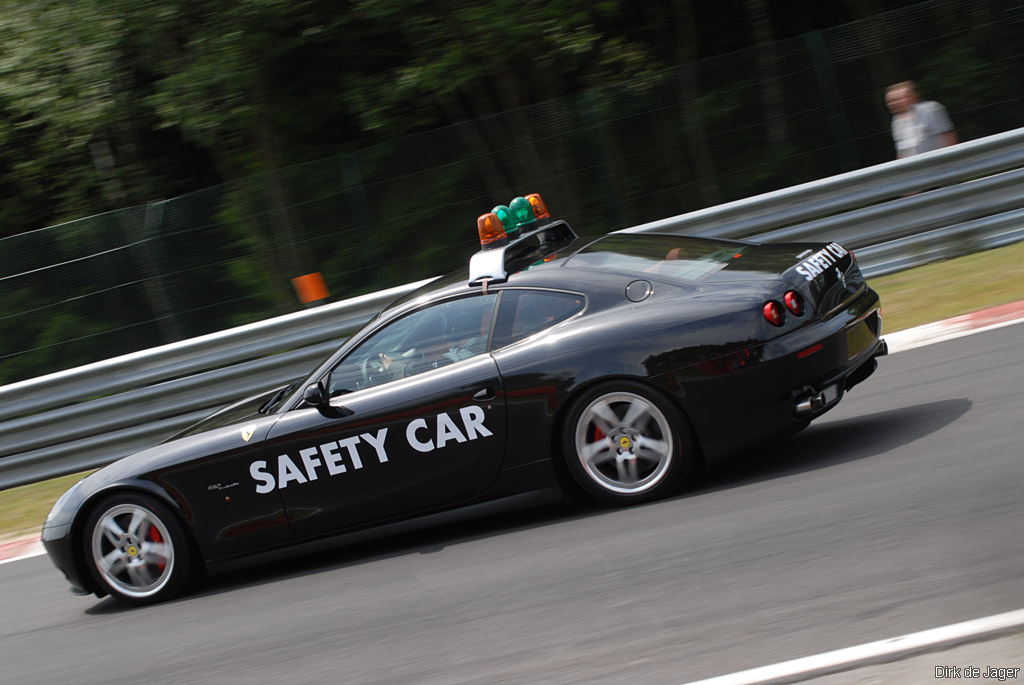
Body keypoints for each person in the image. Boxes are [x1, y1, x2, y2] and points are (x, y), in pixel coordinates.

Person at [885, 81, 958, 158]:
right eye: (890, 101)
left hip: (939, 164)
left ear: (911, 97)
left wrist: (950, 160)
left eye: (897, 99)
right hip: (917, 168)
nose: (892, 104)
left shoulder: (931, 109)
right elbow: (901, 151)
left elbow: (949, 137)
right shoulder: (895, 121)